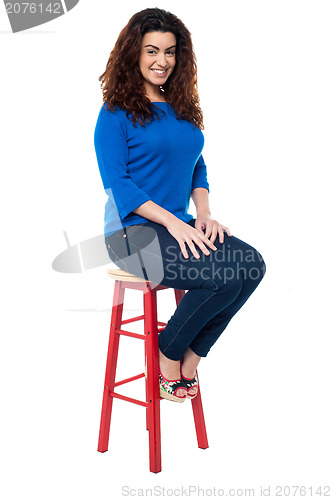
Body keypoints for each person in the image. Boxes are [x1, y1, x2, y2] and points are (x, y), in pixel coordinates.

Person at [94, 8, 266, 403]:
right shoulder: (114, 114)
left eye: (170, 52)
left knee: (251, 266)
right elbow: (118, 185)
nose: (162, 61)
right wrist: (174, 222)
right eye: (152, 50)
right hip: (130, 234)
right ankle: (168, 354)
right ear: (133, 53)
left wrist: (203, 214)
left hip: (180, 224)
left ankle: (188, 355)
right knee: (222, 277)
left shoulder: (181, 108)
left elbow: (196, 166)